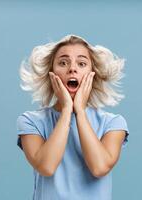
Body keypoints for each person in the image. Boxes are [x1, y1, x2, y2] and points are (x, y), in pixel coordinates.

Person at [16, 34, 129, 200]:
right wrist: (67, 110)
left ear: (92, 74)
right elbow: (46, 166)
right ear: (51, 73)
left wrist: (80, 112)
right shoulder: (30, 121)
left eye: (81, 63)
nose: (72, 68)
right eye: (63, 62)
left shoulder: (112, 123)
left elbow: (99, 167)